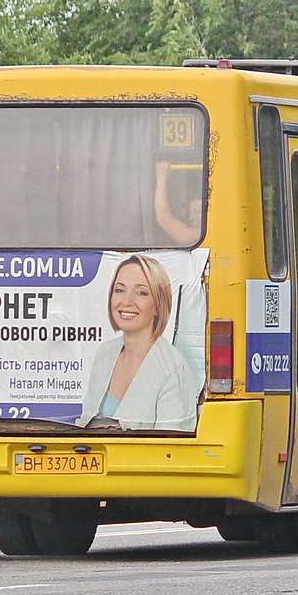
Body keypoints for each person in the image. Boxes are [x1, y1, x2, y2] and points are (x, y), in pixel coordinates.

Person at [78, 255, 198, 431]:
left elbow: (173, 449)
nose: (126, 301)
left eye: (141, 292)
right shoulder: (106, 352)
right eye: (119, 290)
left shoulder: (173, 368)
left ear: (158, 305)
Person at [154, 161, 201, 245]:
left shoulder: (197, 236)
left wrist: (161, 178)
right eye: (190, 212)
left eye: (197, 212)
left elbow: (163, 219)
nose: (190, 218)